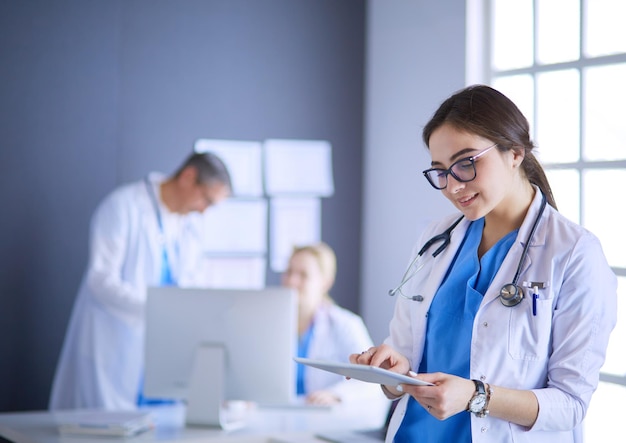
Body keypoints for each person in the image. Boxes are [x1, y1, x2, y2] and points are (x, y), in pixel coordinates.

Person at [350, 85, 617, 442]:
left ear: (515, 153)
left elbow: (570, 404)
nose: (453, 186)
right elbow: (404, 363)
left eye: (466, 163)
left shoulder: (574, 253)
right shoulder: (436, 240)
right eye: (440, 171)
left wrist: (476, 396)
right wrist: (392, 374)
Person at [49, 152, 232, 411]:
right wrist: (156, 310)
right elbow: (100, 280)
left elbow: (192, 283)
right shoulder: (123, 206)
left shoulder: (189, 226)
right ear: (188, 177)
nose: (203, 211)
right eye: (206, 200)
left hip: (162, 352)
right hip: (115, 347)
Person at [284, 242, 385, 406]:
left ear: (325, 282)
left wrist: (335, 394)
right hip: (274, 413)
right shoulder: (268, 325)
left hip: (322, 418)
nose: (291, 281)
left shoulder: (345, 324)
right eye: (289, 272)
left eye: (303, 275)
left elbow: (371, 380)